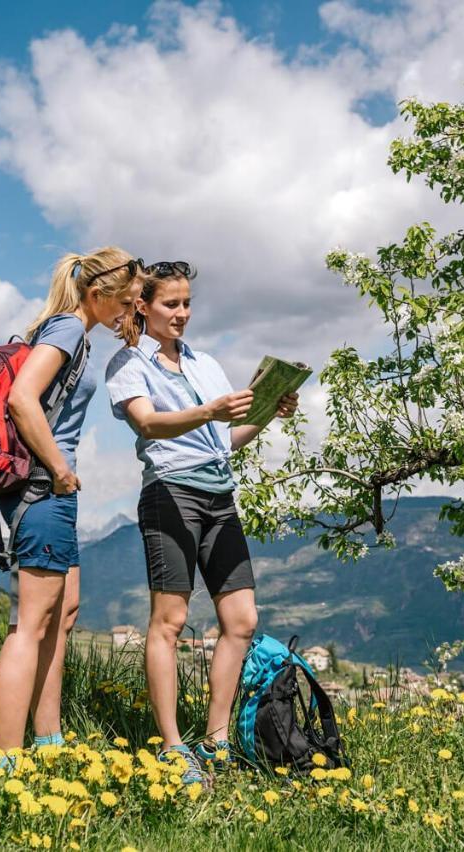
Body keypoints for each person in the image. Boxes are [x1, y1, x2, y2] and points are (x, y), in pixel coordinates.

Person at [104, 260, 298, 787]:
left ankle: (215, 741)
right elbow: (148, 423)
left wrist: (265, 413)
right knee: (168, 621)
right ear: (143, 306)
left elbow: (225, 440)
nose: (182, 313)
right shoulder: (128, 363)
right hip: (171, 494)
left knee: (242, 620)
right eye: (171, 304)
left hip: (219, 497)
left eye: (187, 303)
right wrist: (211, 411)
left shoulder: (205, 363)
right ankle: (172, 747)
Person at [0, 247, 143, 768]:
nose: (129, 310)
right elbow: (21, 399)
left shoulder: (73, 330)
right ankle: (7, 762)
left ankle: (48, 739)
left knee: (64, 613)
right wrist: (59, 470)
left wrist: (129, 326)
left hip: (52, 493)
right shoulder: (67, 331)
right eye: (124, 301)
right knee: (30, 625)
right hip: (42, 489)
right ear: (96, 295)